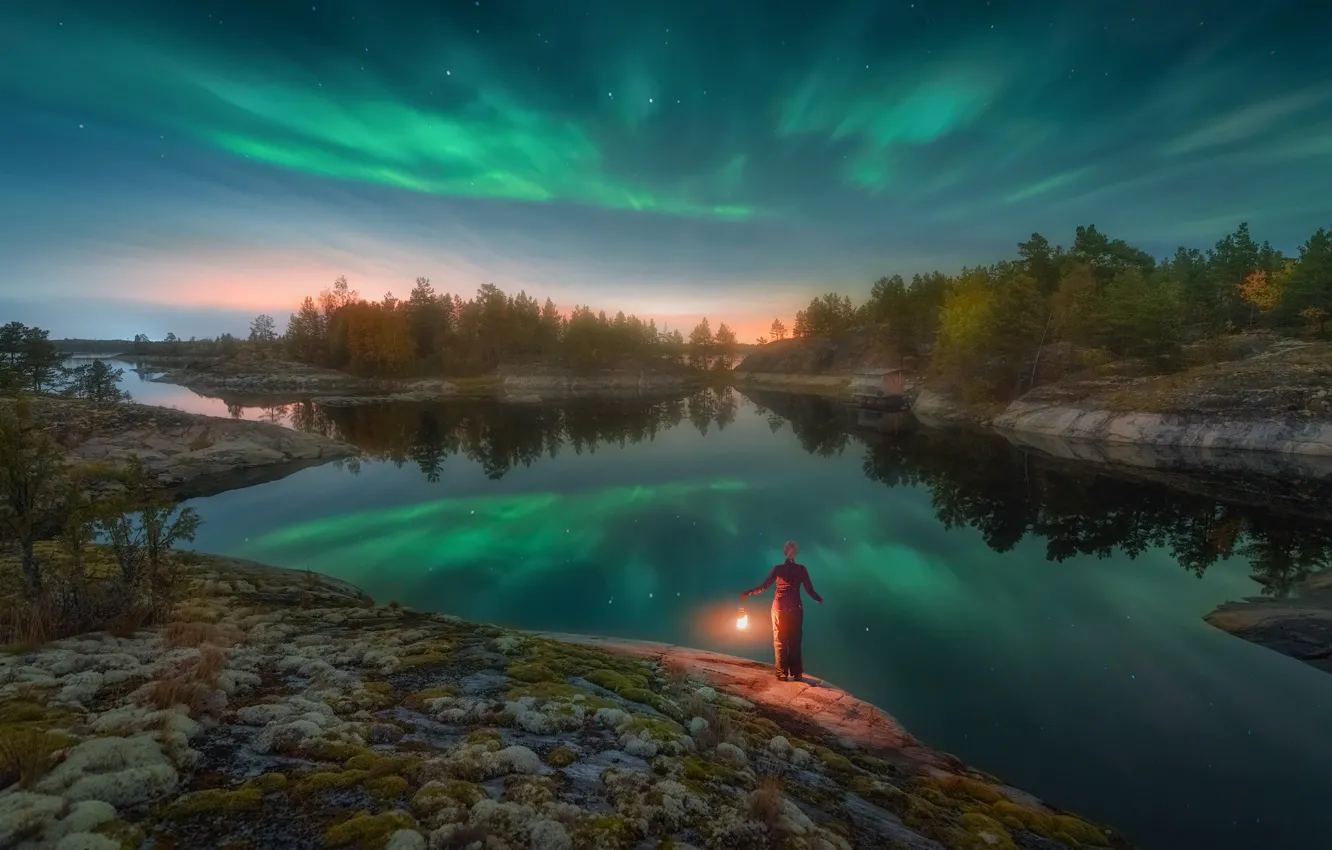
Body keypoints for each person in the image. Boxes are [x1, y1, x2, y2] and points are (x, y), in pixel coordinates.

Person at [740, 540, 822, 682]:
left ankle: (782, 673)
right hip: (795, 609)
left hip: (779, 609)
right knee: (795, 641)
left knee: (780, 641)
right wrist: (818, 598)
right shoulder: (801, 569)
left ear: (784, 552)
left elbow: (764, 586)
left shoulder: (777, 569)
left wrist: (748, 593)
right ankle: (796, 673)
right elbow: (809, 590)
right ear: (795, 553)